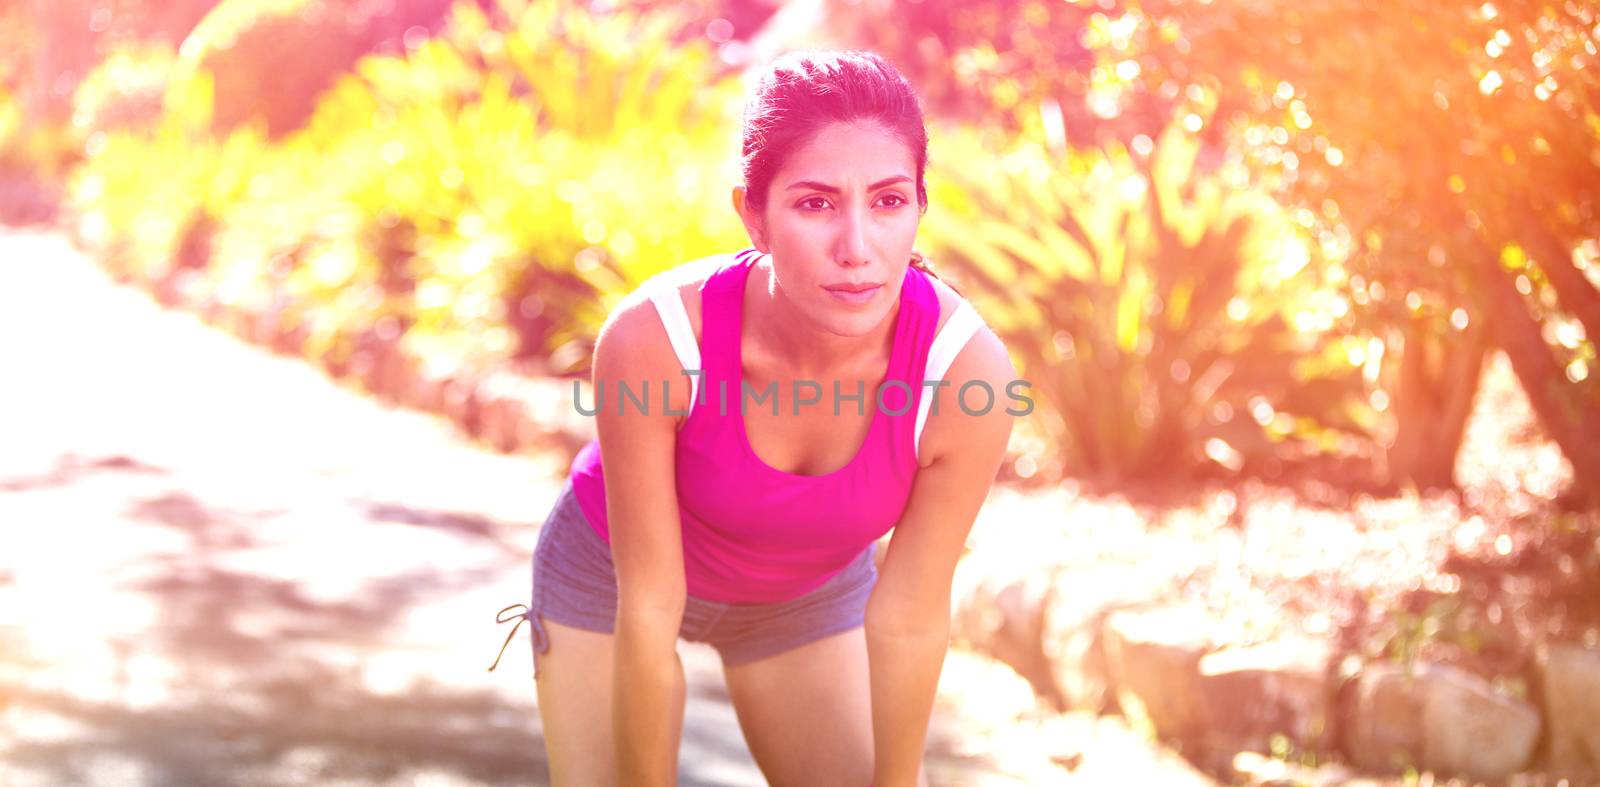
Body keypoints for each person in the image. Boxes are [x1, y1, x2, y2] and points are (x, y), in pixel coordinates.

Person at [489, 49, 1018, 787]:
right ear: (754, 216)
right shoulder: (657, 339)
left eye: (890, 201)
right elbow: (650, 608)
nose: (857, 249)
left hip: (804, 599)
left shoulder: (964, 376)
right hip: (613, 581)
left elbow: (909, 618)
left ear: (920, 208)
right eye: (815, 203)